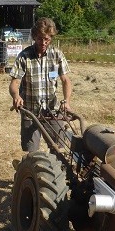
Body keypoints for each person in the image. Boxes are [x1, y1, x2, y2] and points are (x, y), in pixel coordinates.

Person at [8, 17, 72, 152]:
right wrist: (16, 96)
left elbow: (65, 80)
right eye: (40, 38)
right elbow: (15, 83)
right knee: (31, 152)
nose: (43, 42)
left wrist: (66, 101)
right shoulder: (24, 56)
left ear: (51, 38)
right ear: (34, 36)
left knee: (59, 149)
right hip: (30, 113)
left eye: (47, 39)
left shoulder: (57, 55)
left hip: (52, 111)